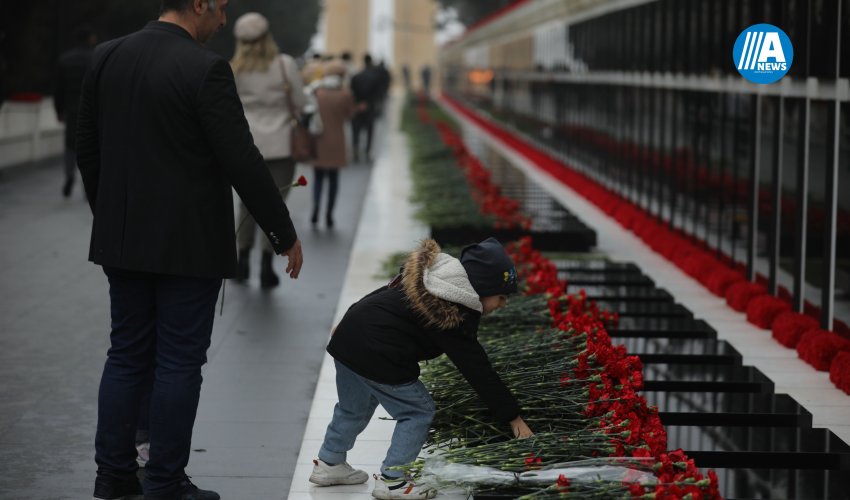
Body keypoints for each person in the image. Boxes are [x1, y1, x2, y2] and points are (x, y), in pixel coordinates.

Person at [76, 1, 304, 499]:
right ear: (199, 4)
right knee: (179, 362)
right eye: (220, 8)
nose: (223, 20)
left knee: (127, 354)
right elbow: (241, 159)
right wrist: (282, 233)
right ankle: (164, 480)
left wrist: (110, 215)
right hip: (188, 244)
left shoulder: (108, 57)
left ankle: (113, 475)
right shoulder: (205, 69)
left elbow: (87, 148)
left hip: (123, 239)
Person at [309, 238, 533, 499]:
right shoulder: (455, 310)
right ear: (483, 287)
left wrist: (348, 320)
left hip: (350, 338)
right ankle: (393, 480)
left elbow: (386, 291)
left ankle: (330, 463)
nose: (502, 305)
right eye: (501, 296)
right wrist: (513, 417)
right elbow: (477, 370)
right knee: (418, 410)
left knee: (353, 408)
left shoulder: (433, 276)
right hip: (380, 351)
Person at [230, 12, 307, 288]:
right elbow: (299, 101)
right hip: (281, 143)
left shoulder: (234, 68)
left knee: (247, 203)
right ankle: (266, 264)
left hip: (247, 144)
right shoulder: (284, 65)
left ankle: (242, 260)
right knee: (275, 203)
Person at [310, 59, 354, 228]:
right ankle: (329, 213)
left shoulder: (318, 92)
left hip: (319, 139)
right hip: (337, 141)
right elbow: (349, 115)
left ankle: (315, 207)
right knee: (334, 179)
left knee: (318, 177)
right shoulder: (345, 94)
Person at [54, 24, 96, 198]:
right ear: (90, 38)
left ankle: (69, 175)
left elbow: (58, 89)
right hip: (92, 112)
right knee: (91, 148)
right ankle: (88, 186)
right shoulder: (95, 58)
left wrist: (59, 110)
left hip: (71, 111)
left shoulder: (65, 60)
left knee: (70, 147)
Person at [349, 54, 382, 163]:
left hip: (357, 107)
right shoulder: (376, 77)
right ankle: (367, 152)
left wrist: (359, 103)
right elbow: (378, 94)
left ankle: (355, 151)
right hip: (370, 107)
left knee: (355, 130)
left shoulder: (356, 76)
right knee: (369, 131)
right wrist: (368, 103)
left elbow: (351, 93)